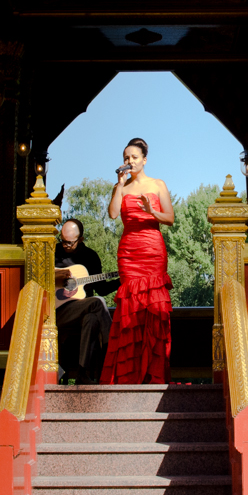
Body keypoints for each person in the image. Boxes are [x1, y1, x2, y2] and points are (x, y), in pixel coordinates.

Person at [100, 138, 175, 384]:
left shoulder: (158, 184)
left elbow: (170, 219)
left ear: (144, 159)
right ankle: (127, 376)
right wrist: (118, 187)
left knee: (155, 308)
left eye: (134, 157)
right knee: (130, 311)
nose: (129, 161)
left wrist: (150, 211)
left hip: (152, 251)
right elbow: (112, 214)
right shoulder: (120, 187)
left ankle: (153, 374)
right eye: (126, 158)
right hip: (129, 253)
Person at [54, 218, 118, 384]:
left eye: (69, 243)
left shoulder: (90, 257)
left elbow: (102, 289)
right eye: (62, 241)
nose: (65, 246)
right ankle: (112, 350)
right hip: (56, 311)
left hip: (81, 311)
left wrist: (121, 280)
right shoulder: (53, 253)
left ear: (80, 239)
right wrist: (55, 275)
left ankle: (82, 374)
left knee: (92, 318)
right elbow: (36, 277)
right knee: (97, 302)